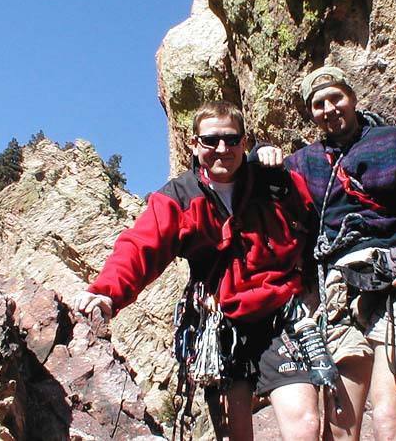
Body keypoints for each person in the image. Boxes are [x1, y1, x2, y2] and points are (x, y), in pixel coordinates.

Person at [74, 100, 322, 441]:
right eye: (210, 140)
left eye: (232, 140)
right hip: (219, 324)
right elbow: (140, 246)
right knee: (235, 435)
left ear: (245, 142)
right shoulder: (179, 196)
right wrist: (106, 292)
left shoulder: (273, 182)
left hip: (278, 315)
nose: (222, 149)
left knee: (306, 426)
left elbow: (313, 219)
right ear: (193, 144)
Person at [255, 66, 396, 440]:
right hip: (339, 290)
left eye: (335, 97)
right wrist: (261, 155)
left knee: (390, 416)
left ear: (353, 98)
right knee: (341, 425)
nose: (329, 108)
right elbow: (261, 196)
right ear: (311, 113)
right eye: (318, 104)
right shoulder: (305, 162)